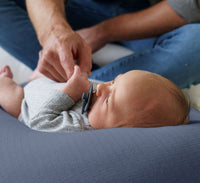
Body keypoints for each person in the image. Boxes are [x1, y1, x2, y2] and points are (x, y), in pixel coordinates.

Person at [0, 0, 200, 89]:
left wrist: (102, 32)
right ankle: (69, 80)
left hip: (158, 16)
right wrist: (55, 33)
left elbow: (188, 5)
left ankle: (69, 92)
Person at [0, 65, 189, 132]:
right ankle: (37, 77)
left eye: (108, 101)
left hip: (26, 103)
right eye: (114, 81)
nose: (101, 89)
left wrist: (71, 91)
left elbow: (40, 121)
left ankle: (4, 81)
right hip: (47, 86)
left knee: (10, 94)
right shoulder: (101, 102)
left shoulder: (79, 126)